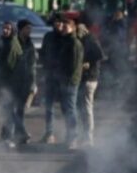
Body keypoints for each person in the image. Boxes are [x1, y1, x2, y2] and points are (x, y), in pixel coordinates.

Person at [41, 17, 83, 147]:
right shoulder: (59, 39)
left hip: (68, 81)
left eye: (65, 26)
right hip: (57, 78)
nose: (62, 27)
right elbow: (44, 53)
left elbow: (74, 65)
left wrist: (68, 79)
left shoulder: (73, 42)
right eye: (61, 25)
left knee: (69, 109)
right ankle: (62, 135)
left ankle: (73, 137)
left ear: (72, 28)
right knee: (62, 108)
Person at [75, 22, 105, 146]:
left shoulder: (90, 40)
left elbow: (100, 55)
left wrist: (89, 63)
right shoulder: (85, 40)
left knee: (86, 107)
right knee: (83, 108)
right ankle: (84, 135)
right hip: (85, 78)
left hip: (90, 78)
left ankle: (88, 137)